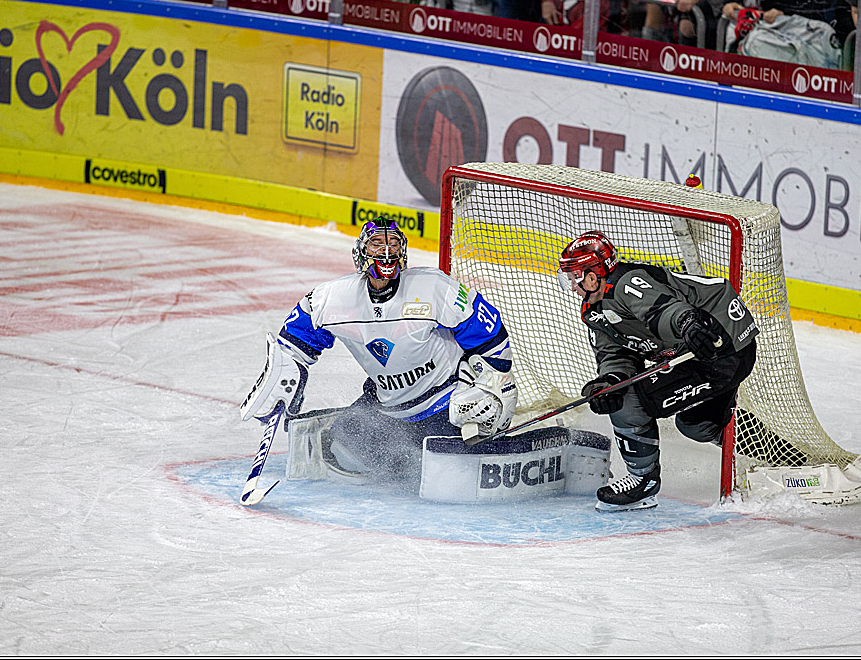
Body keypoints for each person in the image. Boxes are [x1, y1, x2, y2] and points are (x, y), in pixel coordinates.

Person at [240, 215, 517, 486]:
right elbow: (294, 341)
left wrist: (493, 389)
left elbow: (491, 337)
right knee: (341, 449)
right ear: (361, 253)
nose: (386, 252)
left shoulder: (435, 288)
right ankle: (404, 456)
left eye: (393, 244)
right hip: (387, 410)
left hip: (444, 406)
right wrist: (286, 373)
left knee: (449, 472)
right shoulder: (334, 298)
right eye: (376, 245)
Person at [557, 230, 758, 511]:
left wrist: (688, 322)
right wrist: (610, 381)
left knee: (630, 400)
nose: (572, 285)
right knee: (697, 425)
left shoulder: (627, 283)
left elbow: (663, 310)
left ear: (593, 276)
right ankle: (777, 452)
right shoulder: (594, 310)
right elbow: (615, 354)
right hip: (706, 350)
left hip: (719, 343)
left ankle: (643, 481)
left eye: (575, 277)